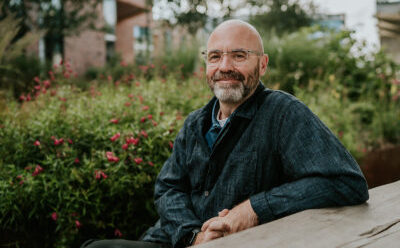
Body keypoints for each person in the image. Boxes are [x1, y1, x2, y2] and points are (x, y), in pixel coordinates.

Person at [82, 19, 369, 248]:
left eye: (239, 56)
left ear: (263, 64)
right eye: (215, 56)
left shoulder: (282, 113)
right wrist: (193, 236)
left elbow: (346, 182)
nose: (225, 67)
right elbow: (168, 188)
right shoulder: (195, 123)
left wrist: (252, 210)